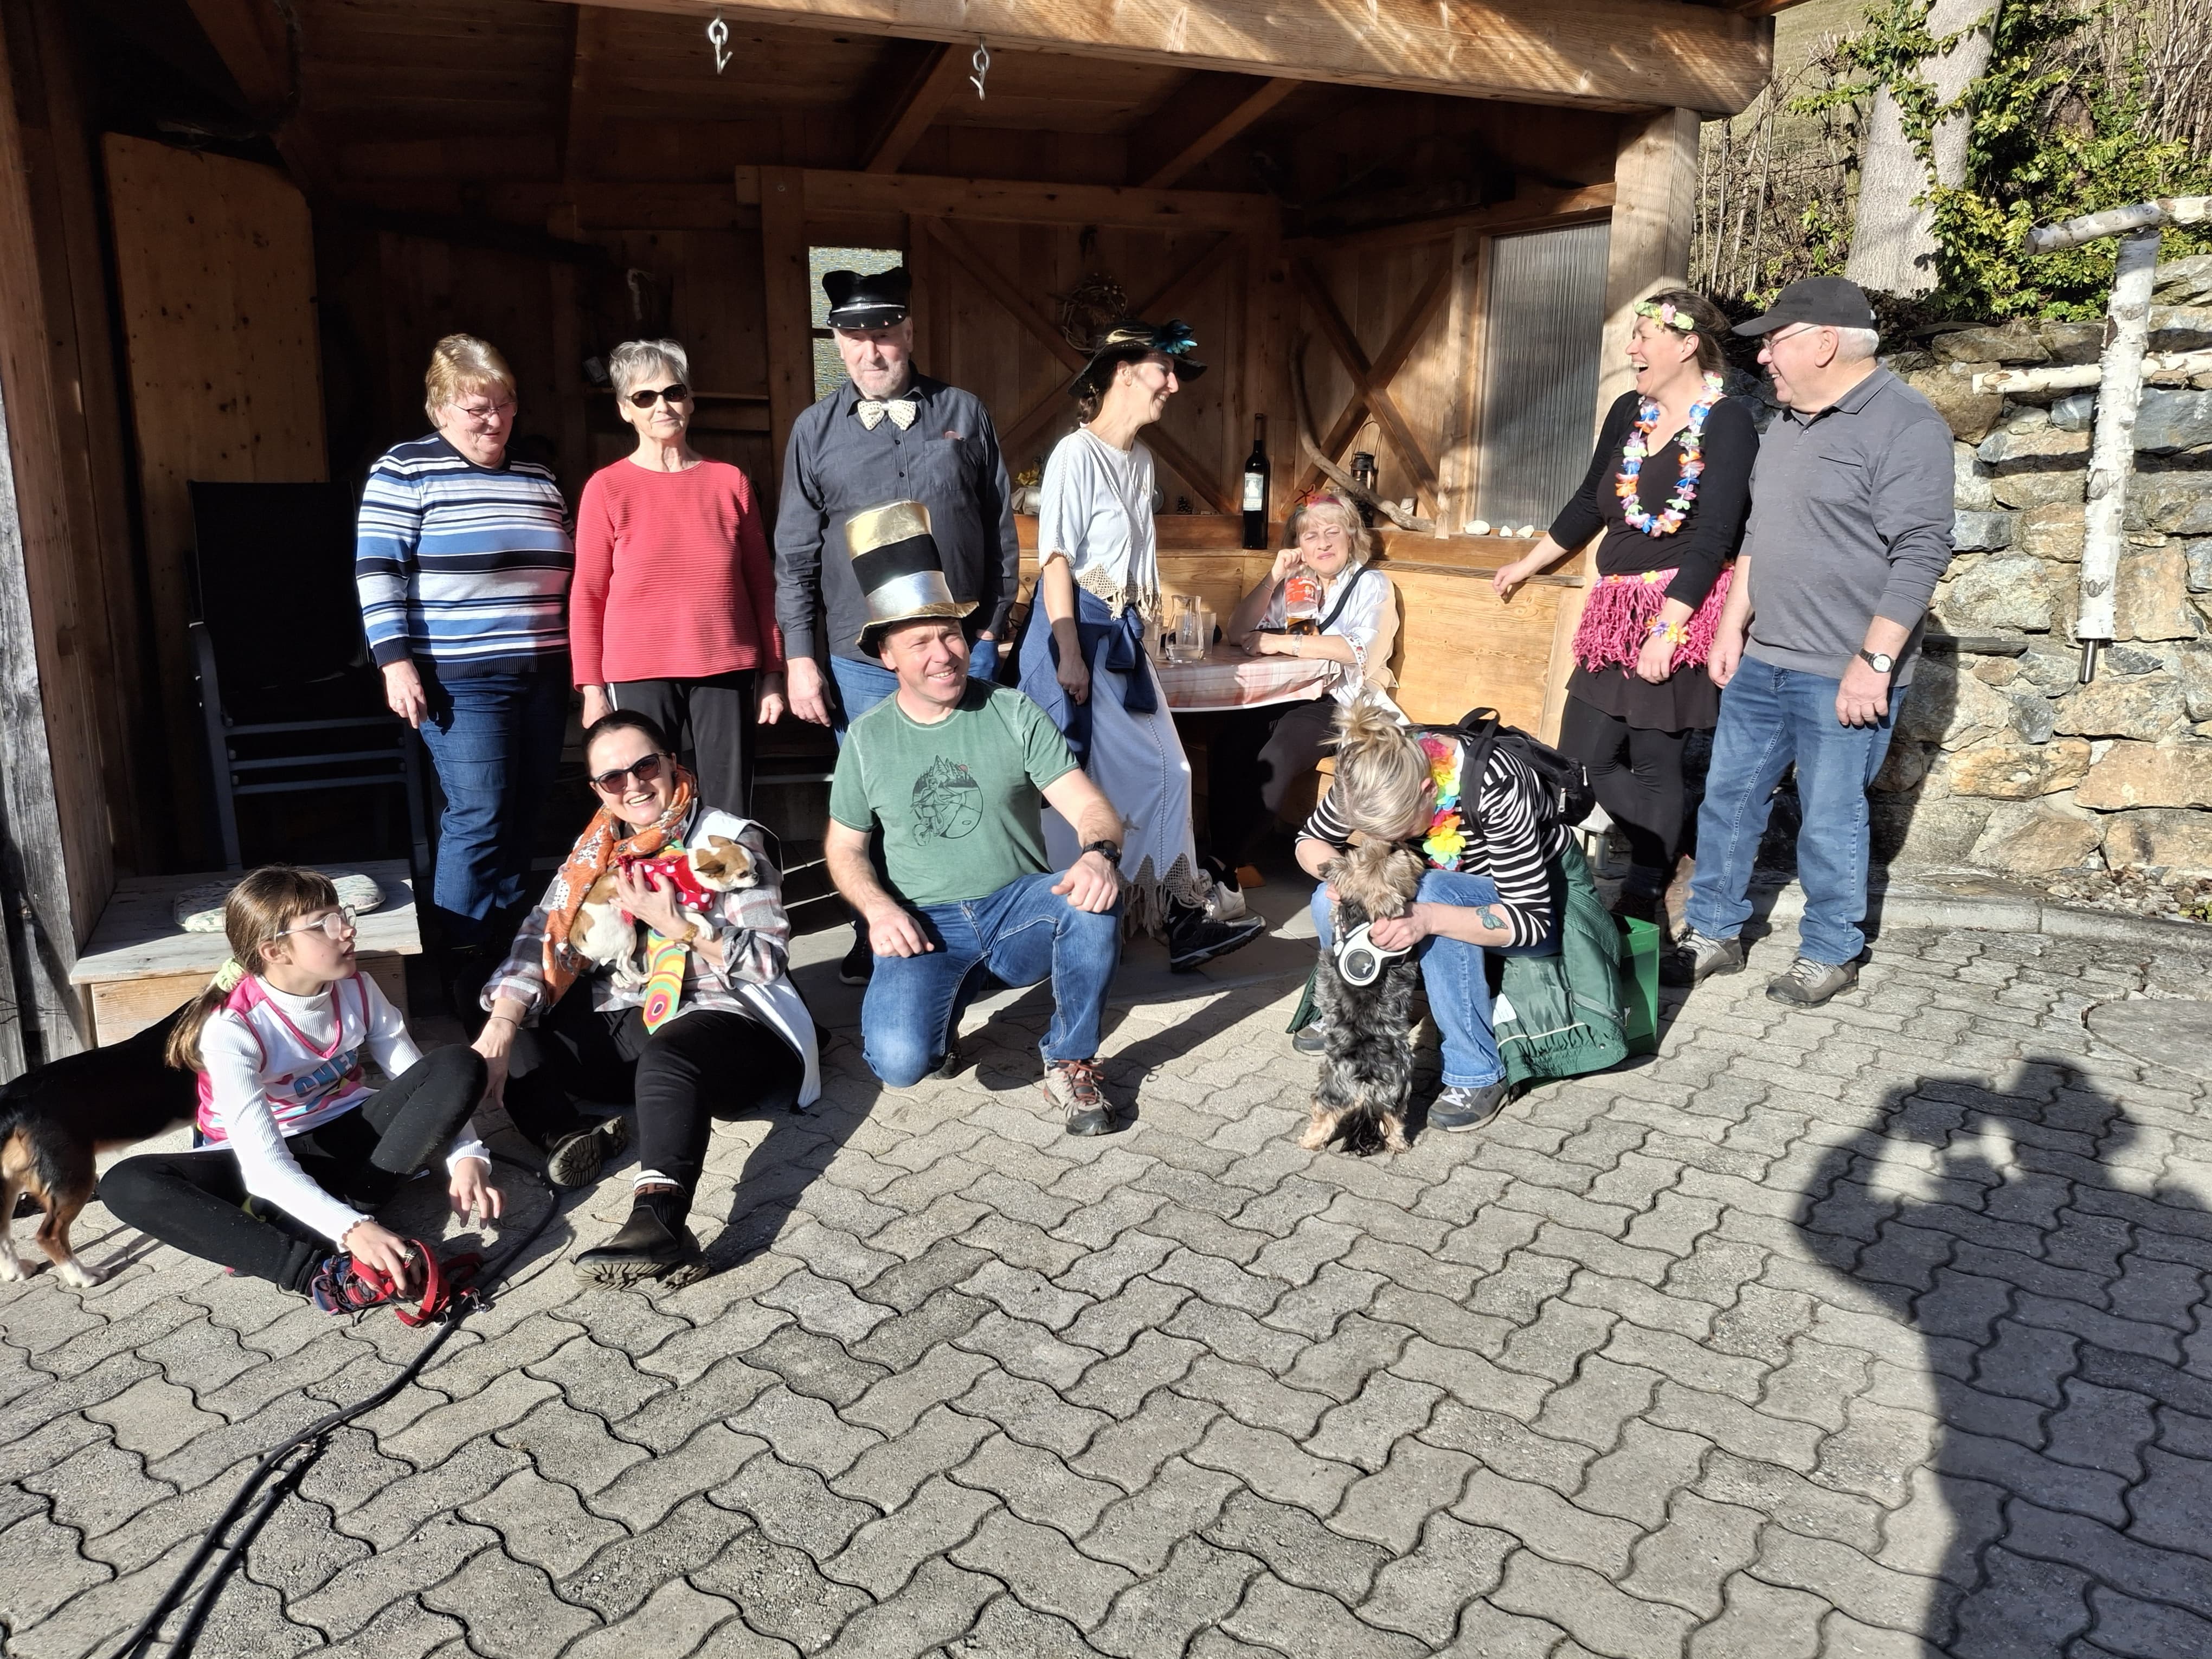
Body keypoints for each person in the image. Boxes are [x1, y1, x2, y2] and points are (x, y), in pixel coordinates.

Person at [1666, 276, 1956, 1006]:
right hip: (1764, 658)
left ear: (1825, 342)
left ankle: (1831, 950)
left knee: (1830, 818)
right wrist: (1731, 627)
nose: (1763, 357)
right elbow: (1760, 536)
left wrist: (1874, 662)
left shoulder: (1906, 424)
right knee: (1729, 800)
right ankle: (1714, 931)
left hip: (1843, 671)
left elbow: (1921, 552)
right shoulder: (1787, 424)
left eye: (1776, 341)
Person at [476, 710, 821, 1286]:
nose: (633, 785)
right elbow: (542, 934)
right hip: (636, 1013)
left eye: (645, 766)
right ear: (598, 790)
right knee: (496, 998)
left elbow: (768, 960)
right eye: (614, 777)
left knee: (669, 1055)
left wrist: (679, 926)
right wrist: (504, 1022)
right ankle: (567, 1134)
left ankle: (659, 1223)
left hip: (725, 1017)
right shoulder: (595, 851)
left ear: (671, 764)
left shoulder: (728, 838)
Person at [826, 502, 1127, 1137]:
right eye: (920, 643)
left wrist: (1099, 854)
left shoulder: (1012, 711)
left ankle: (1069, 1059)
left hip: (1015, 908)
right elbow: (845, 848)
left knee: (1091, 899)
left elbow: (1090, 806)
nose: (944, 654)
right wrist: (878, 911)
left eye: (951, 635)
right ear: (887, 656)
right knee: (900, 1061)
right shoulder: (868, 738)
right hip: (924, 923)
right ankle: (941, 1021)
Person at [100, 867, 499, 1314]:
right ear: (275, 951)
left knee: (458, 1063)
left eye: (343, 915)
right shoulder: (232, 1028)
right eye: (325, 924)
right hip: (254, 1160)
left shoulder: (360, 988)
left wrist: (466, 1156)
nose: (347, 930)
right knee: (126, 1183)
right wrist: (353, 1230)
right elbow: (263, 1164)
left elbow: (417, 1074)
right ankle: (320, 1272)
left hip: (344, 1140)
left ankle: (309, 1220)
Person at [775, 268, 1021, 986]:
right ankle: (877, 931)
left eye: (883, 334)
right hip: (863, 660)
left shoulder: (964, 413)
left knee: (969, 791)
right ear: (837, 344)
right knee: (877, 801)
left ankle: (973, 937)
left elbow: (999, 530)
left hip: (958, 647)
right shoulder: (814, 431)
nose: (871, 351)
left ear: (908, 334)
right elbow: (794, 555)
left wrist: (991, 631)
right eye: (855, 338)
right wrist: (799, 657)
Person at [1493, 290, 1757, 923]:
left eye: (1643, 336)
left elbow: (1718, 535)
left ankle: (1644, 889)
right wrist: (1528, 563)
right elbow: (1591, 501)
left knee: (1654, 759)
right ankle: (1672, 850)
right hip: (1614, 612)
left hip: (1678, 607)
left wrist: (1669, 628)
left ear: (1686, 345)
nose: (1631, 347)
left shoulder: (1727, 422)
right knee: (1579, 759)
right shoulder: (1627, 412)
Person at [1015, 319, 1265, 972]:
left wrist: (1144, 639)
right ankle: (1115, 917)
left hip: (1123, 640)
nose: (1174, 386)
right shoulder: (1075, 455)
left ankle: (1155, 915)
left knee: (1147, 773)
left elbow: (1136, 569)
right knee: (1125, 772)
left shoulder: (1143, 462)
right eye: (1165, 370)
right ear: (1123, 372)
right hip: (1081, 635)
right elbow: (1056, 559)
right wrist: (1069, 652)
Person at [355, 335, 573, 985]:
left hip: (543, 671)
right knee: (480, 813)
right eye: (478, 409)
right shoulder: (405, 471)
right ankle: (463, 957)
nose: (495, 420)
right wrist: (394, 661)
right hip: (460, 680)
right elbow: (377, 570)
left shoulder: (537, 477)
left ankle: (512, 946)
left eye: (504, 405)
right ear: (440, 409)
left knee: (526, 810)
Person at [1294, 699, 1583, 1130]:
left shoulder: (1498, 785)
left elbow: (1531, 922)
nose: (1382, 841)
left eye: (1397, 831)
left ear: (1429, 790)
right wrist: (1343, 877)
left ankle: (1476, 1071)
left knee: (1435, 891)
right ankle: (1350, 1019)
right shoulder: (1371, 767)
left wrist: (1427, 918)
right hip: (1437, 888)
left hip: (1530, 906)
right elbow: (1308, 842)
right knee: (1325, 897)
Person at [571, 338, 786, 817]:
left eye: (673, 392)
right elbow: (588, 594)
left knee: (728, 807)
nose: (662, 406)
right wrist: (591, 689)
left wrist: (773, 672)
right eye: (644, 397)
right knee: (648, 802)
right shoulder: (606, 488)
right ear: (625, 410)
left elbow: (761, 583)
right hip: (639, 669)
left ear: (690, 400)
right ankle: (656, 873)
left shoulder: (730, 481)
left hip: (725, 664)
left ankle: (729, 872)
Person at [1214, 488, 1401, 869]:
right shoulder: (1298, 582)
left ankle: (1224, 867)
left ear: (1352, 535)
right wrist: (1274, 576)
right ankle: (1218, 855)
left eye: (1333, 532)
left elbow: (1359, 650)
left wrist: (1281, 642)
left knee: (1279, 753)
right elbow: (1237, 632)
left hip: (1342, 701)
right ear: (1299, 545)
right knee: (1230, 737)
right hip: (1287, 691)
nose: (1323, 544)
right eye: (1311, 536)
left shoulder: (1371, 584)